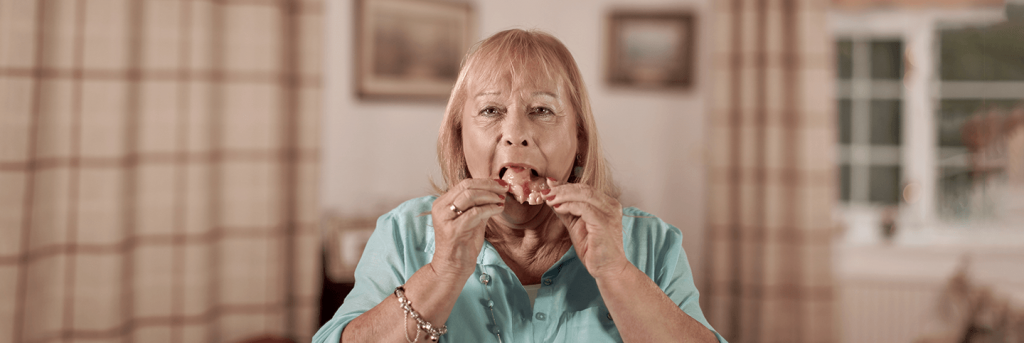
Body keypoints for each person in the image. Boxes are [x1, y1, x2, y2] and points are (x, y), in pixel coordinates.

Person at [313, 29, 726, 343]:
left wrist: (615, 272)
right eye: (491, 110)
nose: (515, 134)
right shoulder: (401, 233)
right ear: (459, 139)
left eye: (542, 110)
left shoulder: (651, 241)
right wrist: (443, 272)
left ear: (580, 138)